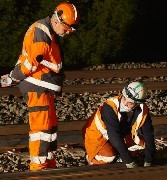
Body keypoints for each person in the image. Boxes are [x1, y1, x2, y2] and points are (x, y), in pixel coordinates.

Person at [1, 2, 80, 171]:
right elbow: (29, 64)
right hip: (38, 87)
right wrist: (12, 78)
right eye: (67, 29)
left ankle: (48, 165)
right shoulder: (42, 34)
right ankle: (38, 169)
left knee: (50, 129)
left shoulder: (45, 31)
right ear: (57, 20)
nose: (68, 33)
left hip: (44, 87)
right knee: (41, 130)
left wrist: (12, 76)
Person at [82, 82, 155, 168]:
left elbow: (148, 134)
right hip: (97, 135)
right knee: (108, 157)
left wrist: (149, 161)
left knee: (142, 146)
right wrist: (129, 162)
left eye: (130, 103)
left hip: (119, 133)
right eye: (124, 98)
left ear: (137, 103)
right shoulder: (109, 107)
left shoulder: (143, 110)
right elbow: (114, 136)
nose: (125, 103)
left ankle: (118, 153)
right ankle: (92, 159)